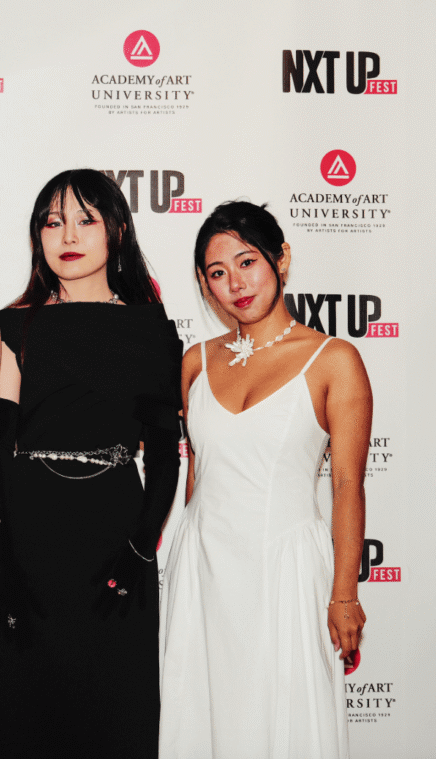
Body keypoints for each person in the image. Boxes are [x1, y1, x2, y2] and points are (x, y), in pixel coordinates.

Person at [0, 169, 183, 758]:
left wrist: (142, 547)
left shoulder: (151, 329)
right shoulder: (10, 325)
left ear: (116, 230)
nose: (68, 234)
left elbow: (165, 455)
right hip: (26, 532)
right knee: (20, 715)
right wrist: (7, 561)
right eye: (52, 221)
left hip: (114, 535)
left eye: (86, 220)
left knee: (114, 715)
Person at [159, 201, 371, 759]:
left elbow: (348, 484)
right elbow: (196, 471)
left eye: (247, 261)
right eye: (216, 273)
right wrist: (185, 555)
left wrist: (344, 593)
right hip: (203, 567)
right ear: (205, 288)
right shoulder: (194, 361)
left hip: (284, 567)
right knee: (201, 714)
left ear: (282, 260)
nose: (235, 283)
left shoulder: (333, 359)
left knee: (286, 720)